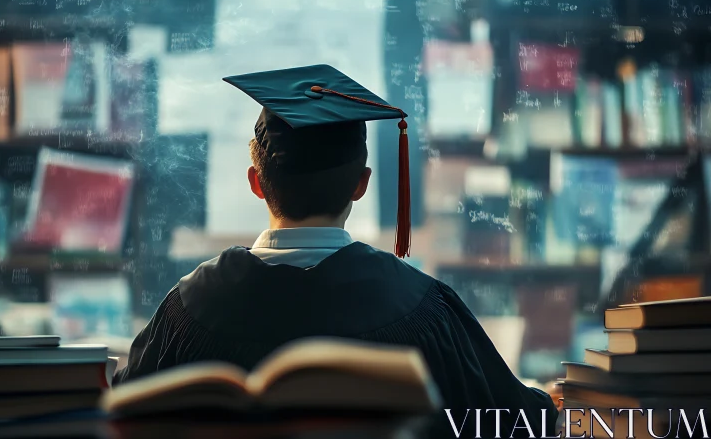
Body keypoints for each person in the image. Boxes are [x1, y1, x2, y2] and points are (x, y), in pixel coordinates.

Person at [114, 64, 557, 435]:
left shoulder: (189, 306)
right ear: (361, 186)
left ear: (256, 183)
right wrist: (553, 402)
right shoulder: (423, 306)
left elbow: (119, 413)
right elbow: (515, 420)